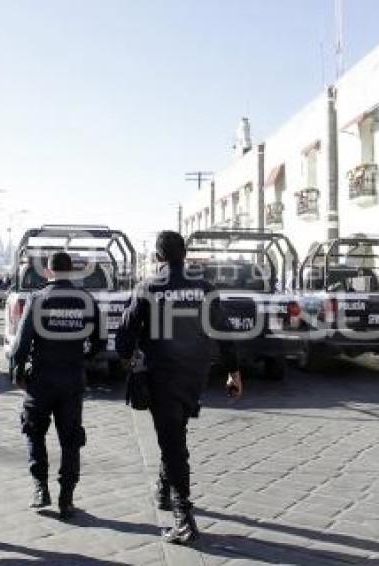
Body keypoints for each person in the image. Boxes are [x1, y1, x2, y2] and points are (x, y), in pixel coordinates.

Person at [116, 230, 242, 545]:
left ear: (158, 257)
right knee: (174, 431)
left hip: (162, 373)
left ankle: (184, 518)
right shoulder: (204, 287)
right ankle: (164, 491)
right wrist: (233, 372)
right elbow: (224, 332)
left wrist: (127, 357)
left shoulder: (148, 287)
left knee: (172, 443)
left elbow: (125, 334)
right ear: (184, 254)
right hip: (195, 374)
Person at [10, 251, 104, 519]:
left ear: (49, 272)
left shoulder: (38, 299)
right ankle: (67, 499)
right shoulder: (85, 299)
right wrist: (83, 356)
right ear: (71, 271)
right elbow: (99, 339)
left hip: (41, 379)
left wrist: (17, 369)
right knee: (71, 440)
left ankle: (41, 488)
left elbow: (22, 340)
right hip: (72, 379)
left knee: (33, 431)